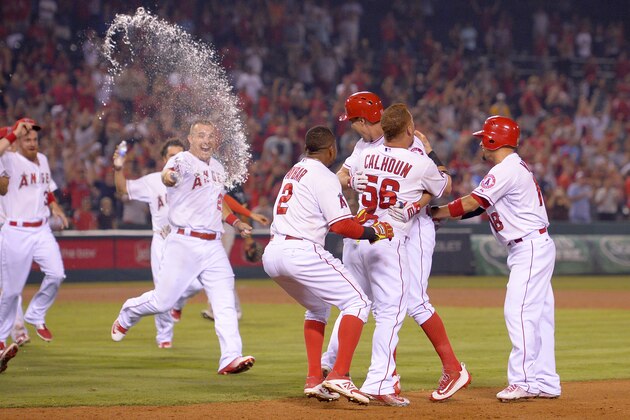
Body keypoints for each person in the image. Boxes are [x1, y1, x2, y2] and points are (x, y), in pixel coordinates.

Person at [323, 91, 470, 402]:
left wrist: (417, 203)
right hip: (386, 232)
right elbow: (441, 184)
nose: (353, 128)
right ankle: (362, 375)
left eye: (354, 122)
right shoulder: (394, 152)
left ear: (367, 121)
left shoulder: (370, 154)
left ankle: (438, 370)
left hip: (390, 230)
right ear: (407, 127)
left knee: (406, 301)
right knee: (378, 304)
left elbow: (426, 190)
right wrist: (424, 180)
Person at [431, 115, 561, 402]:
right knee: (539, 317)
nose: (481, 143)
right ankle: (546, 380)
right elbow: (479, 209)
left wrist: (434, 213)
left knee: (520, 313)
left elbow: (472, 203)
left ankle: (524, 381)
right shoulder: (513, 168)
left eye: (483, 138)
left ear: (493, 140)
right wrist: (442, 216)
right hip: (533, 244)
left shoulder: (505, 170)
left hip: (529, 247)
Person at [262, 125, 394, 405]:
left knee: (318, 307)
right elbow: (341, 226)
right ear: (331, 150)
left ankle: (314, 379)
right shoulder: (324, 175)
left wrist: (354, 223)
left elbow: (333, 220)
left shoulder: (295, 171)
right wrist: (374, 232)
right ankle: (339, 374)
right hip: (301, 250)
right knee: (358, 302)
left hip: (274, 252)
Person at [111, 120, 256, 375]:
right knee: (163, 301)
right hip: (184, 242)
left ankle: (230, 357)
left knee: (224, 302)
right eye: (200, 135)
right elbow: (169, 176)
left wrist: (236, 222)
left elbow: (218, 202)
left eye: (210, 135)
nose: (206, 140)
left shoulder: (218, 168)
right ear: (190, 139)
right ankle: (128, 312)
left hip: (213, 244)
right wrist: (170, 178)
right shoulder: (181, 161)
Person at [0, 118, 69, 362]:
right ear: (18, 141)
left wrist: (56, 208)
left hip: (41, 229)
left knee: (57, 274)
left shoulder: (43, 160)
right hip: (16, 230)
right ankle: (0, 339)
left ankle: (35, 315)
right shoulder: (8, 159)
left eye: (34, 138)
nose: (32, 142)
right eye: (27, 138)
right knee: (11, 291)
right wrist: (11, 133)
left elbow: (46, 189)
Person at [113, 138, 185, 348]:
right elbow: (122, 189)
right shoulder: (153, 181)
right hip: (163, 240)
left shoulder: (192, 179)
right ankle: (164, 336)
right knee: (162, 293)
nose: (176, 160)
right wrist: (118, 168)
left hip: (187, 241)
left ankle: (177, 304)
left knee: (195, 284)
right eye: (172, 155)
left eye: (180, 155)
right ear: (164, 159)